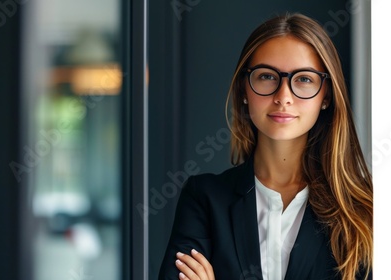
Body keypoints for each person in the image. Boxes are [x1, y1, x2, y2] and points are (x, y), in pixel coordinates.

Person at [159, 13, 373, 280]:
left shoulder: (364, 208)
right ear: (244, 90)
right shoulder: (204, 199)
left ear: (326, 95)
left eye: (304, 79)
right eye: (267, 77)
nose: (283, 97)